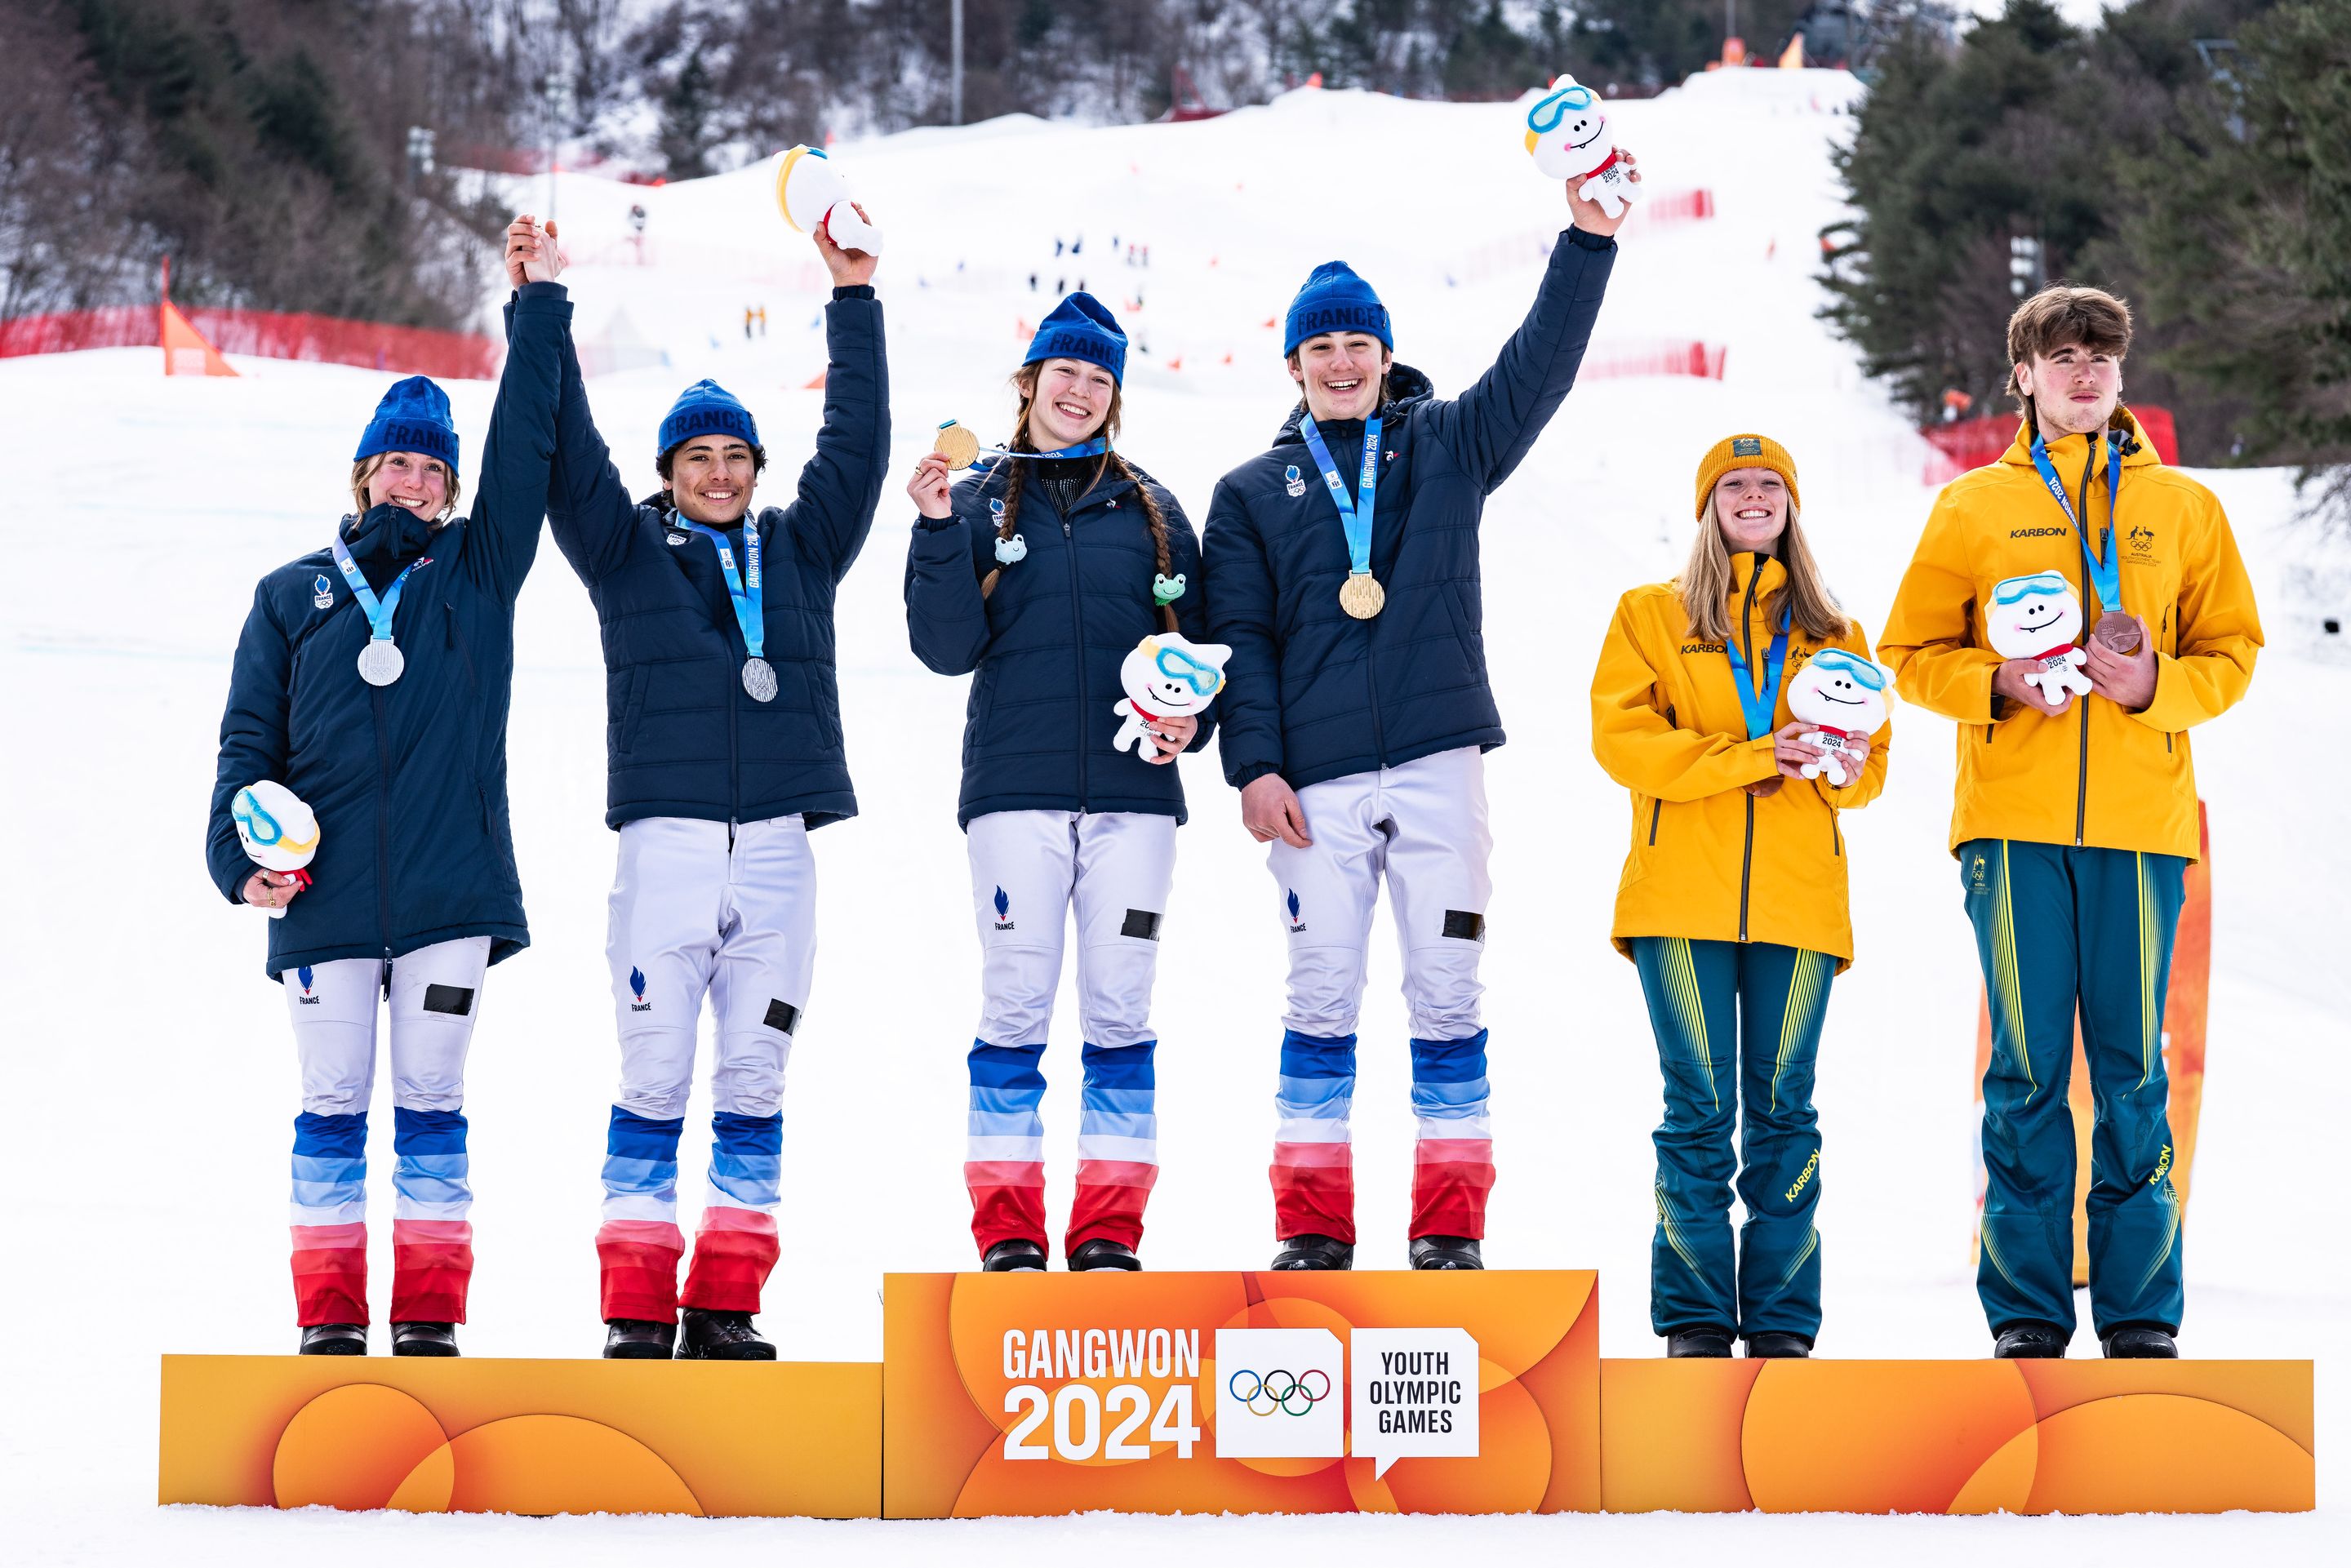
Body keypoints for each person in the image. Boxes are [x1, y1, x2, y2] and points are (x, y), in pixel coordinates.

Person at [1202, 155, 1637, 1271]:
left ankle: (1450, 1227)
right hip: (1315, 786)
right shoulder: (1250, 493)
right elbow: (1238, 641)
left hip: (1443, 764)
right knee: (1320, 998)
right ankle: (1311, 1227)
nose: (1341, 362)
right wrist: (1254, 766)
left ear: (1384, 354)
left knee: (1449, 993)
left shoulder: (1448, 444)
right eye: (1320, 347)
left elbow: (1539, 370)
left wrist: (1586, 239)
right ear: (1294, 364)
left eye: (1358, 343)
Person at [204, 215, 569, 1356]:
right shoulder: (289, 595)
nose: (413, 480)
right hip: (323, 896)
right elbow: (243, 749)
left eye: (431, 467)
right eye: (395, 461)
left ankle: (425, 1327)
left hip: (452, 893)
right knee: (328, 1111)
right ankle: (326, 1330)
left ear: (451, 489)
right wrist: (235, 859)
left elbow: (526, 443)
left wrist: (536, 307)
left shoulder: (477, 570)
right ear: (364, 472)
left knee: (433, 1108)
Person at [1882, 285, 2261, 1359]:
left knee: (2136, 1067)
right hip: (2011, 829)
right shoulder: (1971, 511)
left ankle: (2141, 1320)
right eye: (2062, 355)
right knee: (2028, 1070)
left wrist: (2151, 687)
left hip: (2143, 829)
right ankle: (2028, 1320)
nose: (2084, 372)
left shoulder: (2185, 509)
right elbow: (1910, 657)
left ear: (2122, 373)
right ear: (2025, 375)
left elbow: (2230, 654)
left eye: (2101, 355)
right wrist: (1997, 681)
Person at [543, 202, 887, 1361]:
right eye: (701, 457)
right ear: (669, 472)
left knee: (754, 1080)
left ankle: (728, 1302)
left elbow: (858, 448)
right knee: (653, 1076)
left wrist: (853, 299)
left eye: (738, 455)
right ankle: (638, 1308)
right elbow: (568, 460)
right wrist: (543, 306)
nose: (724, 473)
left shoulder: (799, 548)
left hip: (783, 849)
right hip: (668, 848)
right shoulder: (625, 555)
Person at [904, 295, 1215, 1273]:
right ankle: (1008, 1234)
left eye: (1099, 379)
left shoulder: (1156, 510)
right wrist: (932, 528)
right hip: (1015, 794)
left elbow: (1199, 659)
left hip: (1135, 802)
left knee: (1121, 1012)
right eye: (1064, 373)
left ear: (1114, 396)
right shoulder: (974, 492)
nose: (1079, 391)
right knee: (1014, 1007)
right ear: (1029, 380)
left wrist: (1189, 719)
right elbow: (944, 648)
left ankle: (1109, 1234)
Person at [1589, 436, 1891, 1359]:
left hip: (1800, 903)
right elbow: (1623, 742)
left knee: (1785, 1110)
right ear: (1707, 506)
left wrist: (1835, 764)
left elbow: (1871, 770)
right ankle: (1693, 1323)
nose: (1754, 498)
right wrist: (1761, 754)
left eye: (1771, 486)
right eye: (1735, 485)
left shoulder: (1834, 632)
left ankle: (1782, 1328)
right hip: (1680, 900)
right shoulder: (1651, 615)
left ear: (1792, 506)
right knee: (1698, 1108)